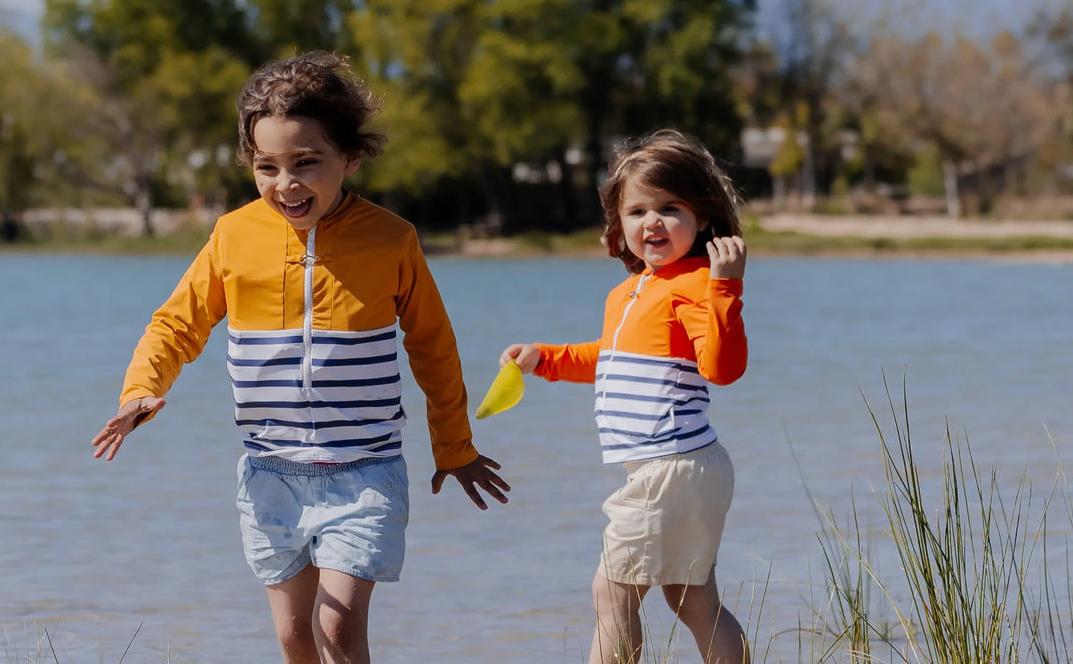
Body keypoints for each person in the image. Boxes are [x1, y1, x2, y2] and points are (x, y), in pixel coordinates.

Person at [90, 50, 510, 664]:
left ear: (350, 158)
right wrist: (139, 395)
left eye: (306, 163)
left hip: (364, 471)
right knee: (294, 639)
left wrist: (454, 445)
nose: (285, 183)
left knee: (337, 629)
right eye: (267, 166)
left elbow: (433, 347)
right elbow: (177, 323)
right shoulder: (234, 236)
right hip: (270, 474)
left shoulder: (391, 239)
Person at [498, 128, 750, 664]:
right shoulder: (630, 291)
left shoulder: (696, 284)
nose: (651, 222)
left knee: (611, 593)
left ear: (702, 217)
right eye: (637, 212)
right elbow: (609, 361)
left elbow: (723, 370)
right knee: (692, 601)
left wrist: (726, 288)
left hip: (672, 467)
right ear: (620, 224)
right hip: (678, 469)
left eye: (669, 208)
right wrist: (545, 358)